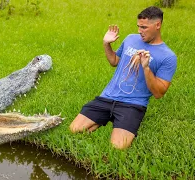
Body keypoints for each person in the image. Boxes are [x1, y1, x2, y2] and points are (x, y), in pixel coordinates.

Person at [69, 6, 177, 149]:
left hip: (133, 105)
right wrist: (106, 44)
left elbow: (159, 93)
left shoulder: (168, 57)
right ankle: (104, 119)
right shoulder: (131, 39)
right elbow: (114, 61)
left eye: (144, 27)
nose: (140, 31)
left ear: (157, 25)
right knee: (74, 130)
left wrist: (146, 67)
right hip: (107, 97)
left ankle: (115, 124)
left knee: (117, 149)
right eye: (138, 26)